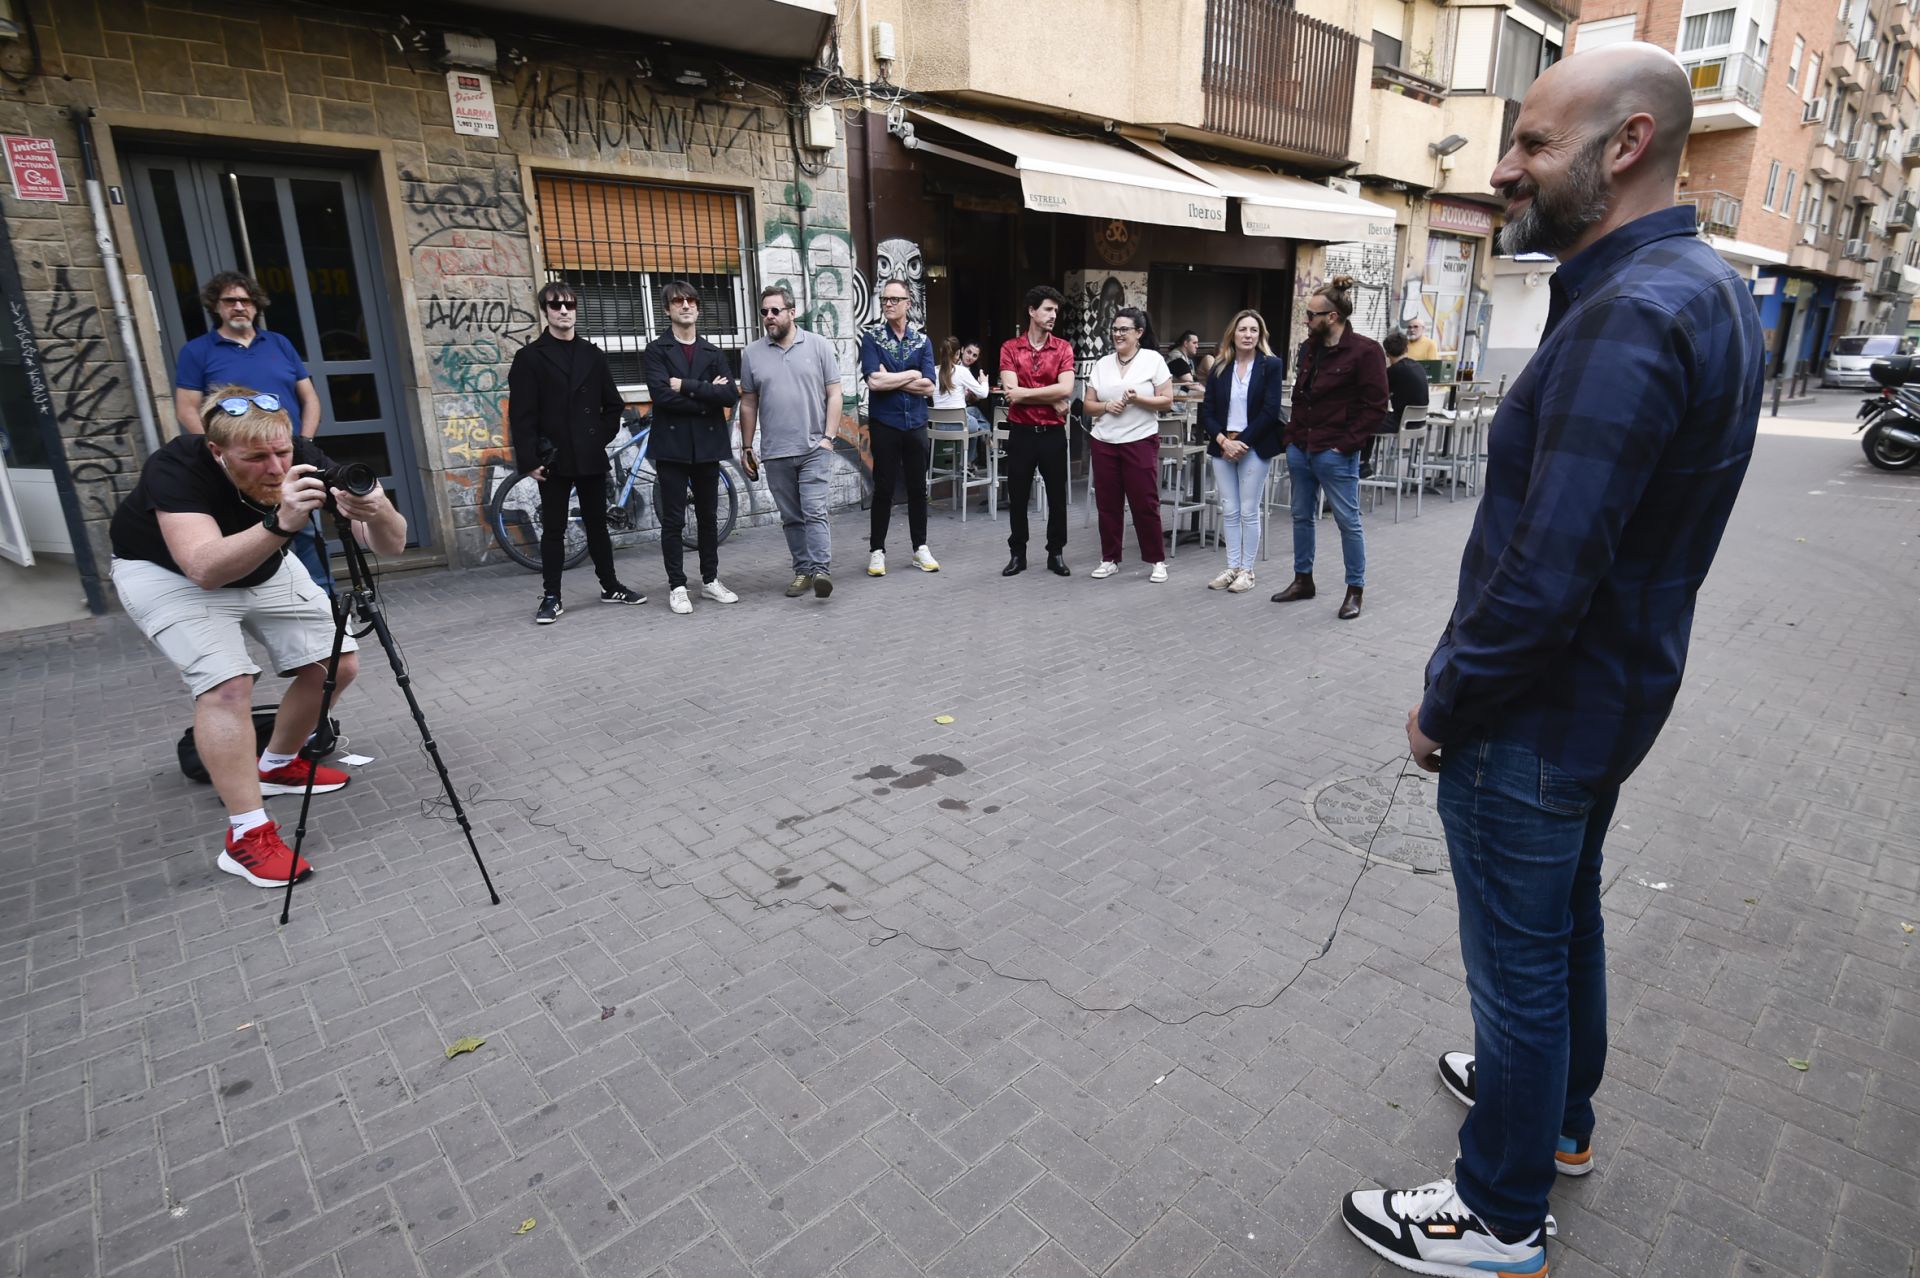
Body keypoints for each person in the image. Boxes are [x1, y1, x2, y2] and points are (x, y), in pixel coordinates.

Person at [1342, 43, 1762, 1278]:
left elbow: (1543, 577)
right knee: (1563, 922)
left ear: (1626, 146)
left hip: (1533, 715)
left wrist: (1443, 704)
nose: (1504, 167)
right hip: (1610, 699)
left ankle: (1497, 1213)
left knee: (1518, 965)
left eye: (1532, 140)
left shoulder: (1630, 314)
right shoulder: (1702, 286)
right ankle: (1557, 1118)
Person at [109, 388, 406, 887]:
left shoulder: (301, 455)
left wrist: (377, 510)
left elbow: (391, 546)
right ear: (217, 451)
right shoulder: (176, 467)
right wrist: (283, 520)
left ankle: (277, 765)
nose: (275, 468)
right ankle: (246, 835)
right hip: (169, 573)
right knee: (227, 686)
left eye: (282, 452)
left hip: (263, 560)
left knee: (336, 664)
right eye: (255, 458)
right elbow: (203, 568)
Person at [173, 272, 332, 592]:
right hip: (243, 465)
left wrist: (304, 442)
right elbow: (186, 408)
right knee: (257, 534)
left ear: (256, 305)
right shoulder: (197, 351)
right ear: (215, 306)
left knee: (307, 532)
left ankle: (325, 600)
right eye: (230, 300)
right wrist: (220, 450)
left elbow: (310, 398)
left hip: (287, 457)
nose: (238, 306)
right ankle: (273, 599)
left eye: (245, 300)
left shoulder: (279, 343)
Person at [509, 280, 646, 624]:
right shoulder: (530, 357)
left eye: (569, 305)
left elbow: (612, 405)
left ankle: (610, 586)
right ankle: (551, 597)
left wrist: (597, 437)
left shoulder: (592, 355)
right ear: (545, 311)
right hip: (553, 458)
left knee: (597, 525)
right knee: (554, 529)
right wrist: (530, 460)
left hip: (589, 455)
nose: (564, 311)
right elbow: (521, 415)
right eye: (556, 305)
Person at [1272, 275, 1386, 620]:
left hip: (1334, 451)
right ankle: (1302, 580)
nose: (1306, 320)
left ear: (1332, 317)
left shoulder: (1366, 351)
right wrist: (1291, 438)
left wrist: (1345, 445)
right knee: (1300, 516)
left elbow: (1375, 407)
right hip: (1302, 445)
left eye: (1311, 315)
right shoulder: (1309, 348)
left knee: (1348, 521)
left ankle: (1355, 590)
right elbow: (1300, 395)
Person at [641, 280, 741, 615]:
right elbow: (661, 396)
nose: (685, 305)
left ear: (697, 307)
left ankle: (710, 580)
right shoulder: (657, 350)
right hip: (671, 446)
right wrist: (706, 396)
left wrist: (685, 385)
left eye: (691, 300)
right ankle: (677, 586)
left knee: (708, 517)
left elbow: (730, 395)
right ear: (667, 309)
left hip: (708, 445)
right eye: (677, 301)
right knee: (673, 520)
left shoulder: (712, 352)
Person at [739, 284, 843, 599]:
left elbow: (834, 393)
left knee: (814, 510)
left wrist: (828, 438)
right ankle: (803, 572)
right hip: (775, 452)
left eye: (775, 310)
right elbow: (748, 402)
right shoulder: (751, 353)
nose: (769, 316)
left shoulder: (819, 345)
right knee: (792, 518)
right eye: (764, 311)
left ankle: (821, 570)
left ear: (792, 312)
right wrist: (747, 446)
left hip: (815, 448)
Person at [1082, 306, 1172, 582]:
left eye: (1124, 329)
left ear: (1139, 332)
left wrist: (1138, 399)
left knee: (1144, 502)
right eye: (1115, 329)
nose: (1118, 334)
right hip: (1104, 441)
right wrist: (1107, 405)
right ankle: (1109, 558)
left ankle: (1156, 560)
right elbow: (1088, 405)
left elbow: (1166, 401)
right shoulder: (1102, 364)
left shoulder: (1153, 360)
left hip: (1140, 439)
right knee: (1107, 503)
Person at [1199, 310, 1286, 593]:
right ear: (1233, 334)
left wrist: (1240, 443)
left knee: (1249, 510)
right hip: (1223, 446)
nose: (1248, 335)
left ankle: (1247, 571)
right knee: (1229, 509)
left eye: (1253, 330)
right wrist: (1224, 441)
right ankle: (1232, 567)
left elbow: (1270, 411)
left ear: (1260, 335)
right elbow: (1207, 411)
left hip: (1254, 445)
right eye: (1243, 329)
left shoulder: (1270, 365)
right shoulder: (1220, 366)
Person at [861, 280, 940, 576]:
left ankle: (920, 548)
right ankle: (877, 551)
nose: (888, 304)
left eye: (895, 299)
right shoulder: (872, 338)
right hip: (886, 424)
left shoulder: (922, 341)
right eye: (885, 299)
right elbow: (874, 381)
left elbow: (929, 386)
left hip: (916, 423)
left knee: (918, 488)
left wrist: (893, 378)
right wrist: (912, 374)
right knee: (883, 488)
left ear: (909, 303)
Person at [998, 285, 1077, 577]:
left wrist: (1027, 393)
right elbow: (1011, 393)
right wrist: (1051, 398)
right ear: (1032, 311)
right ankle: (1017, 554)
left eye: (1056, 310)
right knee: (1018, 497)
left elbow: (1066, 388)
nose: (1053, 315)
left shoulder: (1063, 348)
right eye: (1048, 309)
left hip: (1053, 434)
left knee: (1057, 497)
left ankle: (1055, 553)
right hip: (1021, 432)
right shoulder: (1010, 348)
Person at [1365, 329, 1431, 478]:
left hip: (1401, 423)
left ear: (1387, 353)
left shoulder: (1394, 371)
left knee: (1364, 421)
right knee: (1373, 418)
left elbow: (1374, 394)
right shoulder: (1418, 366)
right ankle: (1363, 464)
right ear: (1406, 349)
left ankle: (1362, 464)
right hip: (1419, 422)